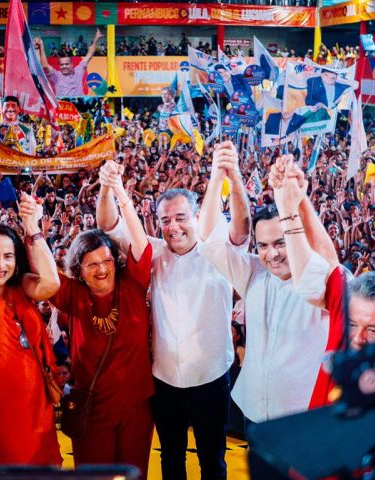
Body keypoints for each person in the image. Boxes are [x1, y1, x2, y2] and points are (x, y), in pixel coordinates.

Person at [97, 163, 250, 480]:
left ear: (197, 217)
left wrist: (232, 179)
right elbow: (108, 224)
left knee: (213, 462)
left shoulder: (218, 253)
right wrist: (107, 186)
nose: (173, 227)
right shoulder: (152, 252)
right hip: (164, 380)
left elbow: (242, 228)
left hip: (211, 379)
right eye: (165, 220)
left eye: (181, 218)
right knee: (171, 461)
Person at [197, 145, 340, 424]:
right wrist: (223, 176)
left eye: (280, 243)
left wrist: (296, 203)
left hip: (302, 418)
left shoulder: (320, 281)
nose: (271, 254)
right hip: (253, 411)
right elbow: (208, 240)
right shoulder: (252, 272)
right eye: (262, 245)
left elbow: (324, 272)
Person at [48, 161, 154, 475]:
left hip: (137, 408)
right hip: (91, 410)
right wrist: (31, 229)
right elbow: (41, 273)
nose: (101, 269)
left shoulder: (133, 283)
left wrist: (116, 188)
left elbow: (141, 242)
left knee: (135, 475)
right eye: (91, 264)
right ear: (78, 270)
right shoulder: (72, 295)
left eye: (106, 260)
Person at [0, 183, 63, 466]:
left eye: (8, 256)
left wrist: (32, 226)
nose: (0, 265)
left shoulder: (21, 288)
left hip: (37, 410)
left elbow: (51, 282)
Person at [37, 29, 103, 97]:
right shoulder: (56, 76)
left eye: (66, 64)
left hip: (78, 106)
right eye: (62, 65)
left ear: (71, 65)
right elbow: (45, 66)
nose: (64, 66)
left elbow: (89, 55)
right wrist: (41, 46)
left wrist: (96, 39)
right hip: (63, 106)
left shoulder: (78, 71)